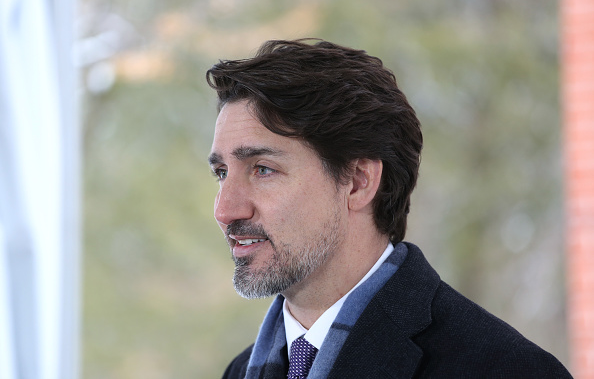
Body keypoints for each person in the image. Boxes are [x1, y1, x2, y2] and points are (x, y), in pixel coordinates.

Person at [206, 39, 571, 379]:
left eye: (263, 169)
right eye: (221, 173)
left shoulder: (506, 369)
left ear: (359, 182)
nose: (225, 211)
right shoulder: (239, 371)